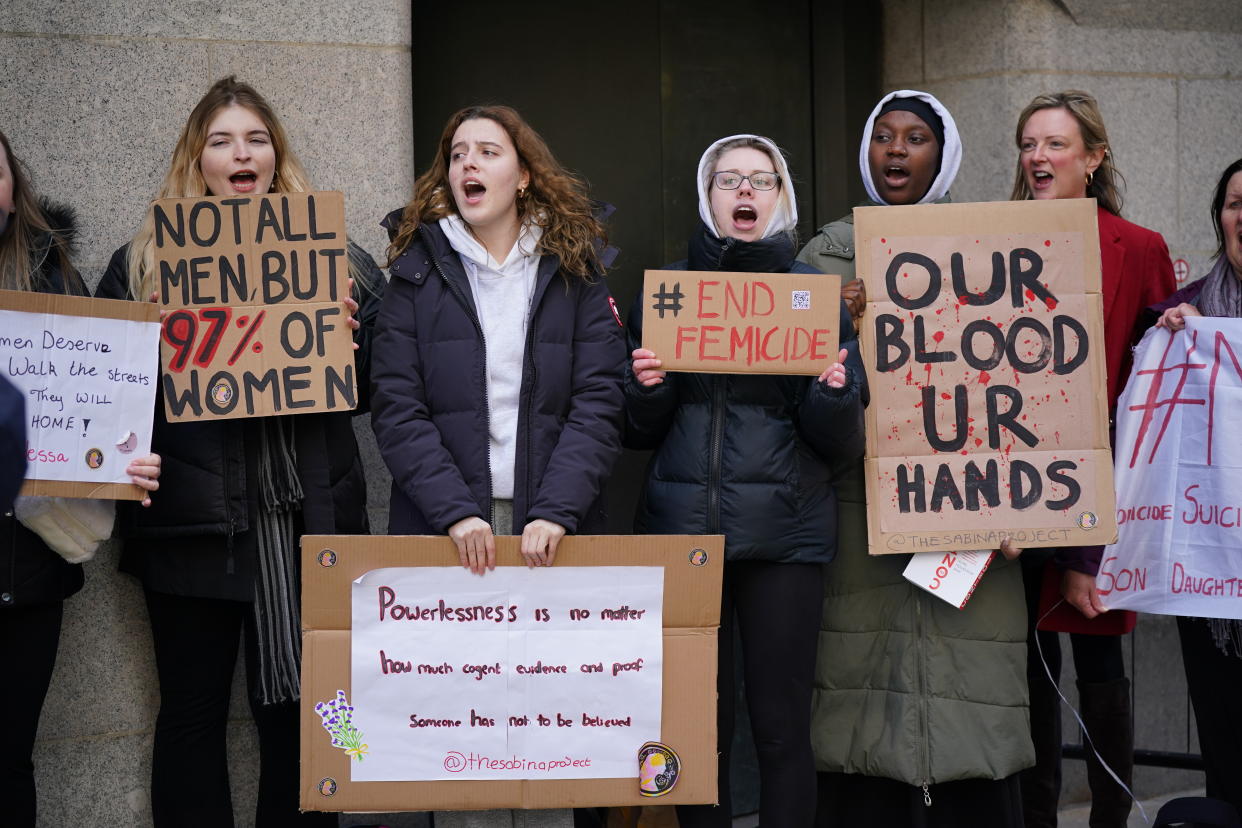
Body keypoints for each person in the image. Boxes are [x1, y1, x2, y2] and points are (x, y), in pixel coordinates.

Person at [95, 77, 381, 827]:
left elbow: (380, 389)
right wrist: (122, 455)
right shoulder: (145, 263)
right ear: (199, 159)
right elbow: (104, 400)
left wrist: (355, 340)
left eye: (255, 138)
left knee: (308, 717)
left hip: (305, 526)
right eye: (221, 140)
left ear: (276, 155)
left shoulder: (336, 260)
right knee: (190, 716)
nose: (240, 152)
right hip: (192, 526)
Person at [371, 104, 625, 828]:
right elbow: (397, 408)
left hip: (555, 532)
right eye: (457, 154)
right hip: (449, 533)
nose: (469, 165)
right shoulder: (413, 275)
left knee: (552, 742)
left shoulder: (576, 271)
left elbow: (599, 401)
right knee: (462, 743)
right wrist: (456, 511)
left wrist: (555, 509)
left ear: (523, 174)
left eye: (488, 151)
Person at [797, 91, 1031, 828]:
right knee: (861, 711)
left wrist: (1031, 503)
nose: (896, 151)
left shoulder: (999, 248)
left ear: (946, 153)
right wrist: (835, 319)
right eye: (883, 137)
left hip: (974, 518)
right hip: (857, 520)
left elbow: (1033, 389)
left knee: (974, 708)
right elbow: (789, 403)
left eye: (917, 137)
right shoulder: (823, 255)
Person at [625, 133, 864, 827]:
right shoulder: (668, 293)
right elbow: (639, 433)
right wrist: (644, 388)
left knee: (782, 726)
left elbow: (840, 444)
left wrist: (833, 392)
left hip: (785, 539)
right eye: (729, 180)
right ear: (708, 198)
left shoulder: (815, 297)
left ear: (782, 196)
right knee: (698, 728)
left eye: (761, 180)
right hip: (683, 535)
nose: (745, 192)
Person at [1011, 89, 1175, 828]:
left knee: (1101, 665)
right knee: (1029, 669)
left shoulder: (1138, 248)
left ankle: (1112, 814)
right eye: (1029, 144)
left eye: (1055, 144)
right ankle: (1035, 815)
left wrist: (1181, 322)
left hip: (1099, 497)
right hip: (1006, 494)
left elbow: (1155, 393)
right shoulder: (992, 239)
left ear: (1094, 158)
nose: (1038, 158)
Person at [0, 129, 160, 828]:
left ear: (14, 184)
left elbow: (94, 409)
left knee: (9, 757)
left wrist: (123, 459)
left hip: (23, 568)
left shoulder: (51, 276)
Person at [1152, 157, 1242, 818]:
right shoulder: (1185, 319)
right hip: (1210, 573)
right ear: (1221, 219)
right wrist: (1161, 340)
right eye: (1236, 204)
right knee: (1225, 733)